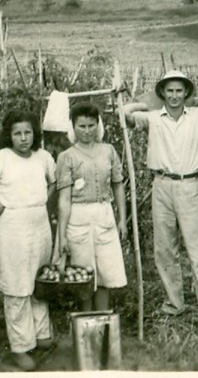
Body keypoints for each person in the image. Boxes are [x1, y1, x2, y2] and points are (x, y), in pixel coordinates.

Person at [123, 70, 198, 330]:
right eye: (169, 91)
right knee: (165, 250)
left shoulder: (197, 115)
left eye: (179, 90)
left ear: (186, 93)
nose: (174, 96)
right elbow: (124, 113)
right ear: (162, 93)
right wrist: (150, 103)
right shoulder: (152, 118)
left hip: (191, 185)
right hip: (161, 185)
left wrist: (195, 100)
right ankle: (174, 304)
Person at [56, 102, 127, 311]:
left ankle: (103, 323)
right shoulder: (66, 157)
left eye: (91, 125)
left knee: (105, 272)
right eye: (81, 126)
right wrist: (62, 235)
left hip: (104, 214)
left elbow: (117, 185)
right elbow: (64, 200)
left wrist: (122, 219)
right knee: (83, 275)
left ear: (98, 125)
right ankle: (85, 324)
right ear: (73, 127)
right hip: (78, 217)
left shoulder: (108, 151)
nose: (87, 131)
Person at [0, 110, 56, 371]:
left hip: (40, 224)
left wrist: (47, 207)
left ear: (35, 134)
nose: (23, 138)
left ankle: (42, 334)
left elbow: (54, 184)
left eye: (28, 132)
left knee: (40, 280)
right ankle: (21, 346)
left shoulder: (43, 157)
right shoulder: (3, 158)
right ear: (8, 135)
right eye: (17, 133)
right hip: (13, 226)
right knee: (16, 285)